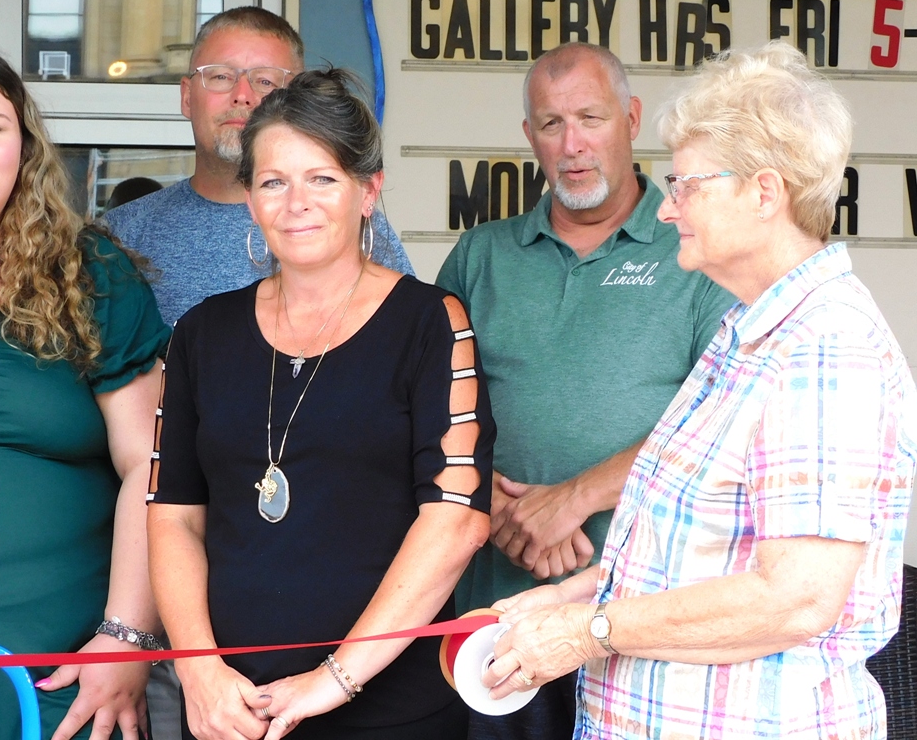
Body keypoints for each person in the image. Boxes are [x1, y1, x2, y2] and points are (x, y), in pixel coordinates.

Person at [482, 41, 917, 740]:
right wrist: (566, 601)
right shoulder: (749, 330)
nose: (666, 210)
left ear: (764, 192)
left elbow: (794, 599)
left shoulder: (824, 346)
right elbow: (687, 557)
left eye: (687, 186)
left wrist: (588, 631)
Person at [146, 68, 494, 740]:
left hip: (389, 711)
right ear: (250, 199)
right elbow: (174, 517)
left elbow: (456, 523)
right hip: (230, 710)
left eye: (323, 179)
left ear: (369, 191)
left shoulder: (430, 322)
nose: (296, 202)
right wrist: (199, 672)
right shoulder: (202, 332)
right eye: (273, 182)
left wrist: (335, 679)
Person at [436, 42, 734, 738]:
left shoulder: (696, 252)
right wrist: (498, 508)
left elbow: (720, 425)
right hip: (494, 618)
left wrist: (572, 500)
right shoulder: (480, 257)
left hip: (644, 618)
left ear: (630, 119)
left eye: (591, 119)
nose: (572, 144)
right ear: (529, 136)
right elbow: (422, 416)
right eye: (551, 123)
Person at [0, 39, 170, 740]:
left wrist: (127, 639)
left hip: (65, 687)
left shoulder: (90, 273)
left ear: (24, 151)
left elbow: (154, 463)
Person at [104, 7, 413, 325]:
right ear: (186, 96)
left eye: (265, 81)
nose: (242, 95)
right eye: (220, 76)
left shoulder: (350, 226)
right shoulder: (120, 235)